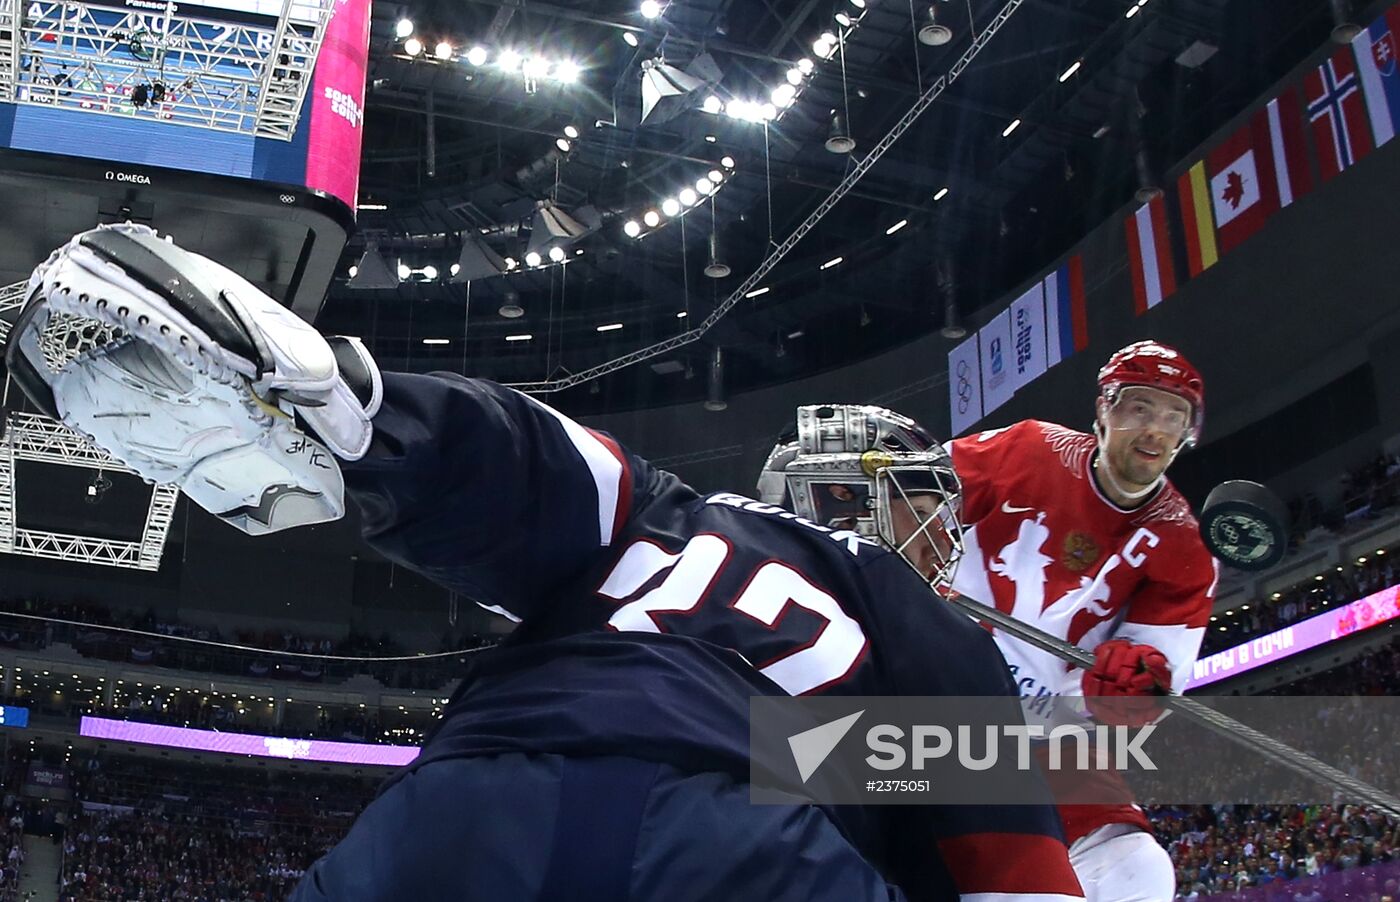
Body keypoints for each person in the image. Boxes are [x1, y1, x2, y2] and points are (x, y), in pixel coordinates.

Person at [5, 224, 1085, 902]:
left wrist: (373, 421)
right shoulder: (903, 610)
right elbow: (1014, 870)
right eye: (921, 502)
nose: (943, 530)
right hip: (730, 836)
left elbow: (534, 475)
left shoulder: (661, 511)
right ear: (842, 498)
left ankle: (342, 401)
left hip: (462, 802)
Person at [944, 340, 1218, 902]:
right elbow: (915, 497)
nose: (1155, 429)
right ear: (1103, 410)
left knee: (1136, 872)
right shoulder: (1027, 450)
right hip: (937, 678)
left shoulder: (1185, 547)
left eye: (1173, 416)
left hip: (1048, 724)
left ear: (1186, 433)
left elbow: (1157, 679)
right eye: (1139, 407)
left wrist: (1133, 691)